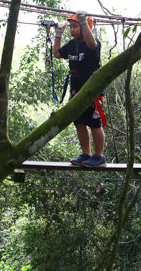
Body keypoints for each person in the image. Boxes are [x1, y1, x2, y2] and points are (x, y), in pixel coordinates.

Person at [53, 11, 106, 167]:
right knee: (79, 122)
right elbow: (57, 54)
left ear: (84, 27)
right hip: (76, 90)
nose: (72, 30)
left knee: (94, 123)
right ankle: (86, 154)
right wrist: (58, 34)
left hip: (93, 92)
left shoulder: (93, 44)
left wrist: (83, 22)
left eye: (75, 27)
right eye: (70, 27)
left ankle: (99, 157)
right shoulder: (72, 45)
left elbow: (92, 45)